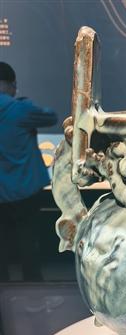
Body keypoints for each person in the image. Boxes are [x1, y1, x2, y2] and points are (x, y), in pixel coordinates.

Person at [0, 62, 57, 281]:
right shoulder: (20, 109)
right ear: (11, 84)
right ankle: (33, 289)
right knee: (29, 242)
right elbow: (51, 116)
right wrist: (25, 102)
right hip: (26, 191)